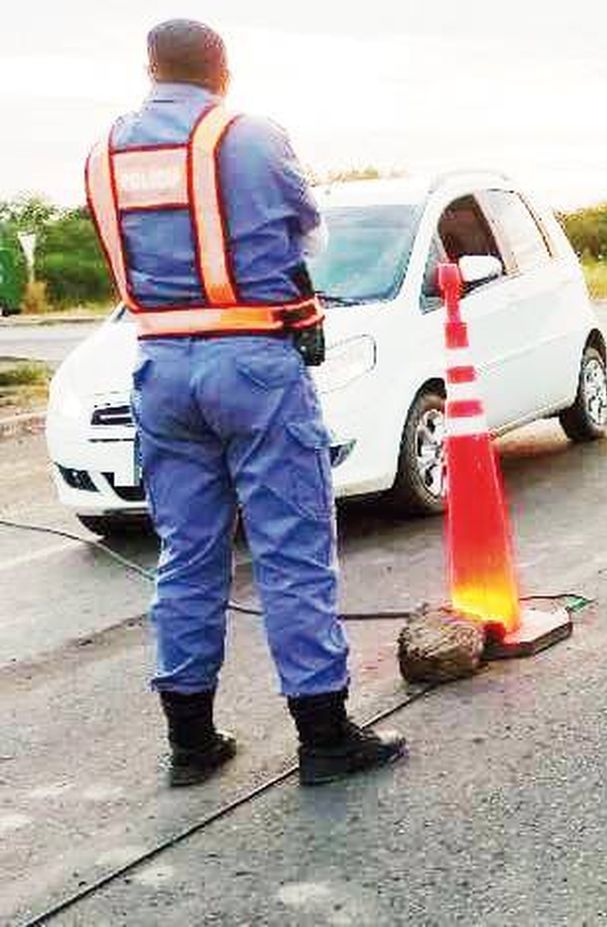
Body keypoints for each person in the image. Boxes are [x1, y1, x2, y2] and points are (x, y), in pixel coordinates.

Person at [84, 20, 405, 787]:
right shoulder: (251, 135)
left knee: (188, 551)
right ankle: (325, 738)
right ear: (223, 71)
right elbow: (313, 240)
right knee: (291, 548)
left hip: (159, 367)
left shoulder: (104, 153)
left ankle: (191, 743)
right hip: (254, 364)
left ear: (149, 68)